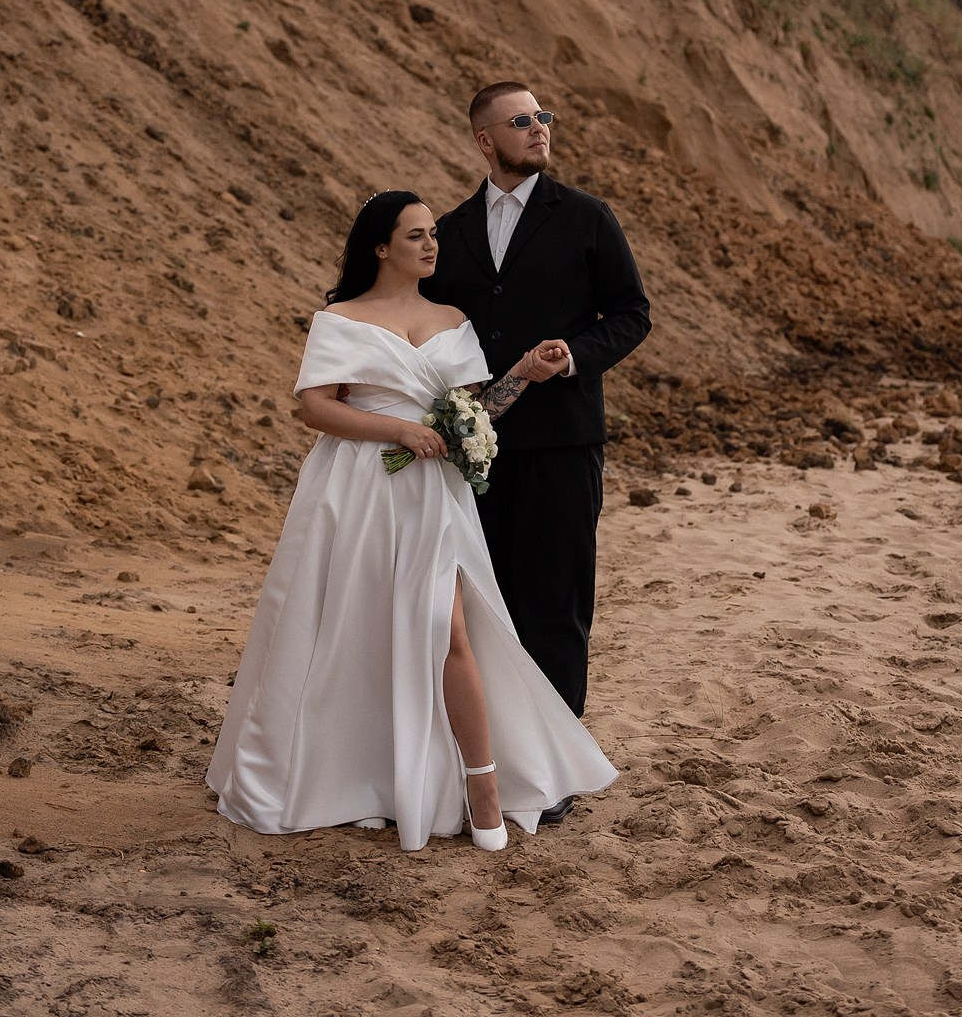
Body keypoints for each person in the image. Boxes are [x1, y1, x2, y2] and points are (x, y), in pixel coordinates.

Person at [206, 190, 616, 854]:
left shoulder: (452, 317)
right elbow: (315, 407)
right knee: (354, 626)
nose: (431, 246)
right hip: (358, 488)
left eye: (433, 234)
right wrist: (398, 427)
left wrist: (522, 374)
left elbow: (472, 411)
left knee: (445, 625)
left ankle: (481, 783)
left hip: (434, 495)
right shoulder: (340, 318)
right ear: (379, 246)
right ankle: (362, 771)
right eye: (415, 236)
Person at [428, 83, 650, 813]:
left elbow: (631, 313)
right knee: (482, 605)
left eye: (543, 117)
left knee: (554, 605)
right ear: (484, 140)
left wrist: (577, 358)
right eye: (521, 121)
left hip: (562, 440)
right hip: (474, 444)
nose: (538, 129)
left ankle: (551, 775)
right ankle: (487, 762)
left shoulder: (585, 217)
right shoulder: (452, 229)